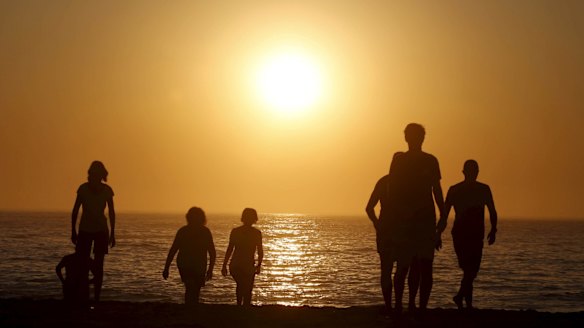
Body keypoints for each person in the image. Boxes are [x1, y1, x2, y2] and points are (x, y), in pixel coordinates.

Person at [391, 123, 445, 314]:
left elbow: (436, 190)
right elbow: (393, 190)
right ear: (406, 138)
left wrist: (443, 215)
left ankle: (419, 307)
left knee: (424, 265)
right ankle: (399, 305)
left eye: (418, 136)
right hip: (405, 221)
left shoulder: (431, 161)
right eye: (412, 136)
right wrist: (400, 211)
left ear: (423, 138)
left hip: (425, 220)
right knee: (404, 265)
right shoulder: (399, 160)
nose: (415, 139)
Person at [436, 160, 498, 310]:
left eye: (475, 171)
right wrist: (437, 234)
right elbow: (445, 215)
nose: (473, 174)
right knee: (469, 270)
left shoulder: (481, 189)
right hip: (462, 234)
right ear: (465, 172)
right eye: (472, 171)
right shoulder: (457, 190)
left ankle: (466, 302)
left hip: (474, 234)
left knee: (470, 270)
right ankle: (462, 299)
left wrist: (494, 229)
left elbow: (492, 210)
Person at [71, 160, 116, 302]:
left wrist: (113, 233)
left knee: (99, 265)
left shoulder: (107, 190)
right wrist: (73, 230)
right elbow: (75, 210)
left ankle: (96, 297)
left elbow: (112, 212)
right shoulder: (83, 189)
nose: (96, 175)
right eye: (94, 173)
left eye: (98, 173)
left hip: (101, 231)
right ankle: (84, 295)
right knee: (82, 264)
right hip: (84, 230)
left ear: (102, 174)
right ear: (91, 174)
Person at [365, 152, 403, 314]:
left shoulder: (384, 181)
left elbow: (369, 208)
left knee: (387, 270)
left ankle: (390, 306)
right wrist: (377, 224)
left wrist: (377, 224)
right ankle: (396, 305)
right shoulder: (406, 183)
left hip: (387, 230)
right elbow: (369, 208)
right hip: (398, 231)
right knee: (399, 270)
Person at [163, 207, 216, 305]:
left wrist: (210, 269)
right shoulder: (184, 231)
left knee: (195, 288)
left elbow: (212, 251)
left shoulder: (204, 232)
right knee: (190, 286)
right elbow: (173, 249)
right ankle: (190, 306)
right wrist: (166, 268)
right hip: (186, 264)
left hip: (198, 264)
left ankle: (191, 306)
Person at [221, 208, 264, 306]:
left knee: (242, 286)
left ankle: (240, 306)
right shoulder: (256, 233)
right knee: (246, 288)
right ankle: (243, 306)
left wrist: (224, 265)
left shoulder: (236, 231)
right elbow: (260, 251)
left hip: (239, 264)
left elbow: (230, 249)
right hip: (245, 265)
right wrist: (259, 265)